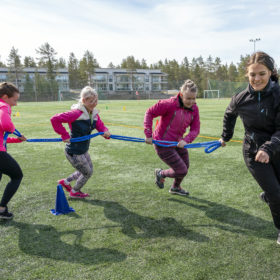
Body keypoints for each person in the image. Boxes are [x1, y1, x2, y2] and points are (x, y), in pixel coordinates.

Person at [219, 51, 280, 244]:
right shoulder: (240, 98)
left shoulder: (279, 95)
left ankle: (267, 195)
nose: (257, 78)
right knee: (276, 193)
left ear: (271, 72)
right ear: (247, 75)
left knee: (276, 192)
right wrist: (225, 137)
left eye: (262, 73)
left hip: (276, 149)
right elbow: (229, 114)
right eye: (253, 74)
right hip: (253, 152)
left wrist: (269, 148)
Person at [51, 86, 110, 198]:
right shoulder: (76, 114)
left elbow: (100, 125)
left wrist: (105, 132)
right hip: (74, 151)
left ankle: (66, 182)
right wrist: (64, 134)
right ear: (83, 101)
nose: (94, 103)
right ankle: (74, 191)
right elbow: (55, 119)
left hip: (83, 150)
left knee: (89, 170)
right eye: (91, 101)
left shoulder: (93, 114)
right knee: (87, 173)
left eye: (96, 100)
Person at [144, 79, 200, 196]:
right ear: (181, 94)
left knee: (185, 166)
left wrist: (186, 140)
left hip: (178, 142)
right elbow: (149, 113)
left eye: (194, 98)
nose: (191, 102)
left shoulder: (194, 109)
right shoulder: (169, 104)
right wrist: (148, 134)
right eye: (188, 98)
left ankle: (175, 187)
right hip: (162, 144)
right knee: (181, 170)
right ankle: (161, 173)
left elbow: (195, 129)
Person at [0, 82, 26, 219]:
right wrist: (16, 133)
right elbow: (6, 124)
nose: (15, 104)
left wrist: (16, 139)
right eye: (14, 100)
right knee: (17, 175)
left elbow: (2, 137)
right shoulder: (4, 106)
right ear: (5, 97)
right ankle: (2, 208)